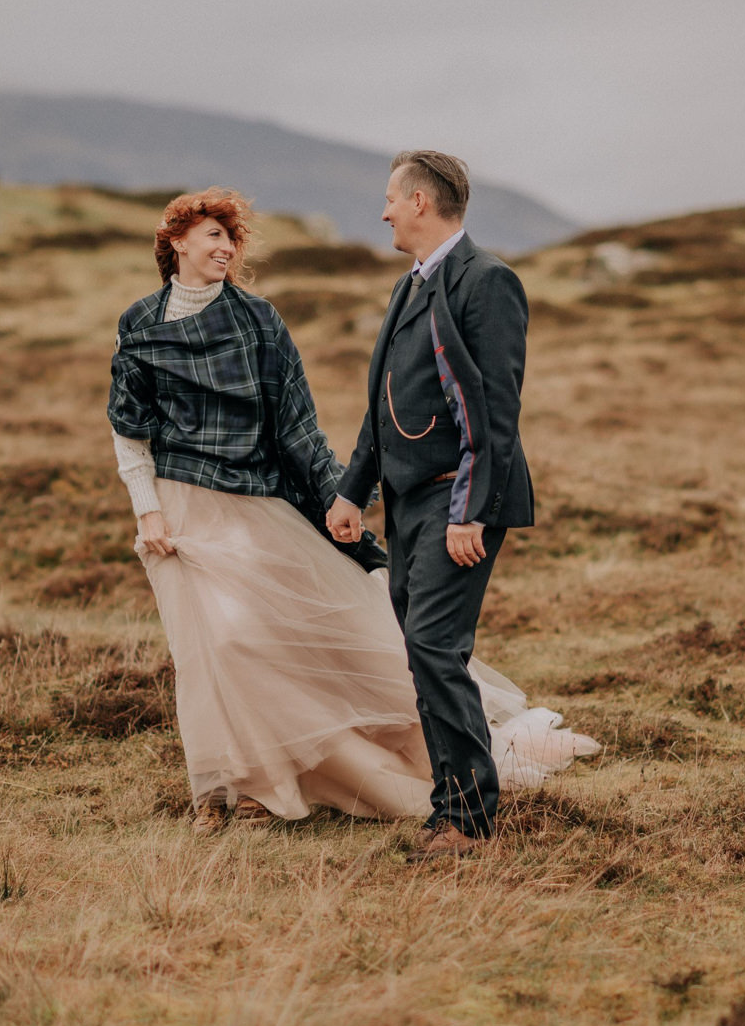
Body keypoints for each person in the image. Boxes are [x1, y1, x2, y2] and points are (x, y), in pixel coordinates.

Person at [108, 187, 594, 842]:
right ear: (176, 243)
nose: (225, 246)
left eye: (231, 236)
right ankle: (226, 787)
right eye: (212, 234)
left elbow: (299, 429)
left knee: (248, 639)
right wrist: (147, 512)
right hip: (178, 510)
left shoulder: (257, 322)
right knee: (205, 650)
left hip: (254, 506)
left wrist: (341, 499)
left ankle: (271, 783)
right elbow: (128, 428)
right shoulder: (139, 322)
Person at [325, 151, 534, 861]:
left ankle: (470, 821)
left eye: (390, 198)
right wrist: (354, 490)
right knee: (424, 654)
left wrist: (470, 511)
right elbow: (383, 407)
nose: (382, 211)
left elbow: (497, 411)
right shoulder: (408, 287)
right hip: (409, 503)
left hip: (460, 497)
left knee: (436, 648)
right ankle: (449, 807)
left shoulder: (487, 281)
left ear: (420, 201)